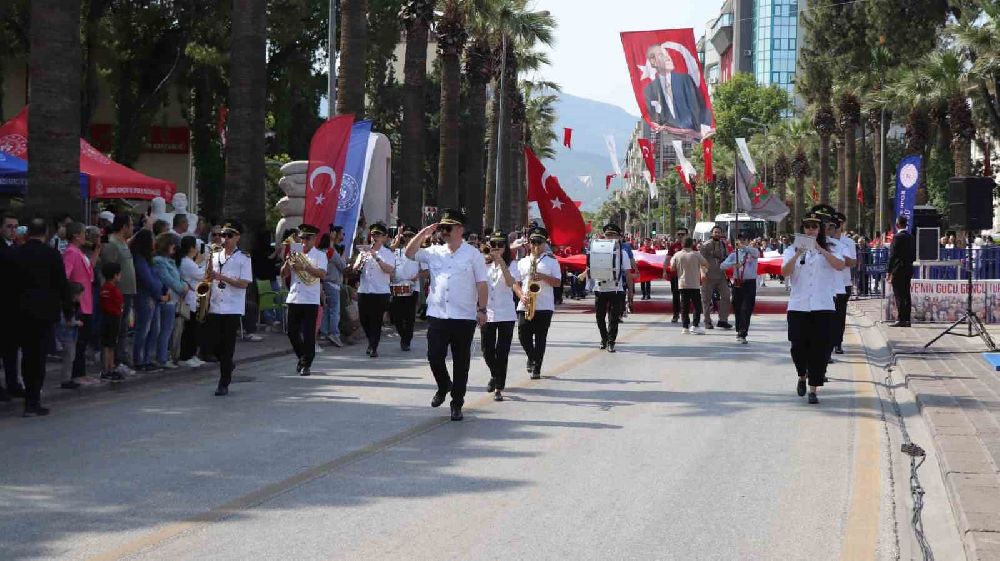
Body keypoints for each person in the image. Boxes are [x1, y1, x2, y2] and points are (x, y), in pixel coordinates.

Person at [405, 208, 489, 421]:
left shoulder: (473, 254)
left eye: (448, 228)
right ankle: (444, 385)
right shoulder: (434, 251)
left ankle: (456, 403)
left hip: (464, 317)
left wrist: (482, 309)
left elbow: (481, 284)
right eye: (442, 228)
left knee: (461, 363)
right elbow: (409, 253)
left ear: (460, 229)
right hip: (438, 315)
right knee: (434, 356)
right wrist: (423, 233)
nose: (444, 231)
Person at [781, 212, 845, 405]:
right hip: (799, 305)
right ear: (803, 229)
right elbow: (784, 272)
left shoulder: (832, 247)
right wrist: (799, 253)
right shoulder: (791, 250)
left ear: (820, 230)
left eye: (814, 227)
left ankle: (813, 389)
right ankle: (802, 374)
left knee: (821, 348)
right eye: (807, 227)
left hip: (823, 305)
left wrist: (820, 249)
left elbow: (840, 265)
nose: (811, 230)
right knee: (797, 345)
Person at [11, 218, 71, 416]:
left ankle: (27, 396)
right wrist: (68, 312)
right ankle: (33, 399)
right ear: (45, 233)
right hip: (45, 313)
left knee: (26, 355)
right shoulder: (52, 255)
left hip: (20, 312)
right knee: (39, 357)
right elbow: (63, 285)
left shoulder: (16, 253)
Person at [205, 221, 253, 396]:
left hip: (232, 307)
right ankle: (227, 363)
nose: (224, 239)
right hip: (215, 305)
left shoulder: (244, 258)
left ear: (238, 237)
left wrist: (221, 277)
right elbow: (210, 276)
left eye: (229, 236)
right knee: (209, 344)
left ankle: (223, 383)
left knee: (227, 347)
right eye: (222, 235)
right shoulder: (215, 255)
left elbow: (243, 284)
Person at [281, 224, 328, 376]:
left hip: (310, 299)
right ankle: (303, 357)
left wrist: (305, 267)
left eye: (307, 238)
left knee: (308, 334)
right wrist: (288, 262)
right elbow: (283, 274)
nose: (304, 242)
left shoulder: (320, 255)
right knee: (291, 332)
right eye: (301, 238)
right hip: (294, 297)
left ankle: (306, 364)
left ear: (314, 239)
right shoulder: (295, 253)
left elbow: (322, 274)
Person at [481, 230, 522, 402]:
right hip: (488, 312)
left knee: (502, 352)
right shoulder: (483, 264)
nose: (497, 248)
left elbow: (510, 282)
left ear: (505, 247)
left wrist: (501, 263)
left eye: (500, 245)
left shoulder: (513, 265)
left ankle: (499, 386)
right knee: (486, 350)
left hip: (506, 313)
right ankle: (494, 374)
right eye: (493, 245)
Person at [516, 227, 562, 379]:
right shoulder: (522, 262)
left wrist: (541, 276)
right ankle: (532, 357)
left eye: (539, 242)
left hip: (544, 306)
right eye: (533, 242)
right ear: (529, 243)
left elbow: (557, 282)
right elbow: (515, 283)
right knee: (523, 336)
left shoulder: (551, 261)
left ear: (545, 243)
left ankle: (537, 368)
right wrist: (521, 295)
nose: (536, 245)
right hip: (525, 303)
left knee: (540, 338)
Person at [580, 223, 632, 352]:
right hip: (600, 288)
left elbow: (628, 273)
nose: (610, 238)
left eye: (613, 235)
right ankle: (604, 338)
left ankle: (611, 341)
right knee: (599, 317)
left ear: (619, 237)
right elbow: (591, 266)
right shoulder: (596, 250)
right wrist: (585, 273)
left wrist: (631, 292)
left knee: (613, 318)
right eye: (608, 235)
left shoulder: (623, 253)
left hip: (616, 289)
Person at [642, 44, 712, 139]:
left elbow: (700, 108)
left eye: (667, 54)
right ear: (653, 61)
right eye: (662, 55)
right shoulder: (649, 90)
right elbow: (652, 119)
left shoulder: (685, 80)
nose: (668, 57)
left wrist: (703, 131)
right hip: (667, 141)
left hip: (693, 138)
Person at [99, 214, 137, 376]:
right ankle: (114, 363)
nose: (133, 228)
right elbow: (108, 270)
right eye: (131, 225)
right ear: (123, 227)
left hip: (127, 292)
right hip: (118, 294)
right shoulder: (112, 244)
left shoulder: (123, 243)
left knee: (123, 330)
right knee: (117, 330)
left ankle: (120, 360)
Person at [351, 223, 395, 357]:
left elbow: (389, 270)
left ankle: (373, 346)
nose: (374, 237)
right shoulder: (364, 251)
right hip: (364, 290)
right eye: (373, 235)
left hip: (380, 292)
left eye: (377, 235)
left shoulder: (387, 253)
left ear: (384, 237)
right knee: (364, 319)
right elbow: (355, 269)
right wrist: (358, 264)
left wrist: (376, 257)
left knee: (376, 320)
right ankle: (371, 341)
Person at [62, 222, 94, 382]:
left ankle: (81, 372)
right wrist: (74, 293)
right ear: (76, 235)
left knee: (83, 339)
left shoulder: (79, 252)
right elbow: (66, 276)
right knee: (78, 340)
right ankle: (77, 374)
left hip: (86, 300)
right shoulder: (70, 252)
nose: (85, 237)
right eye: (83, 233)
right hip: (79, 301)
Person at [131, 229, 165, 371]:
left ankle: (147, 358)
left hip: (153, 296)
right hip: (145, 296)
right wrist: (159, 292)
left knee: (154, 329)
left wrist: (161, 291)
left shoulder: (147, 259)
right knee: (143, 329)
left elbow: (155, 278)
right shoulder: (139, 259)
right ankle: (139, 360)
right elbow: (148, 280)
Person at [152, 233, 187, 368]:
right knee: (165, 330)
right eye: (173, 245)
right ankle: (162, 358)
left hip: (173, 299)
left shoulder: (170, 261)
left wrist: (183, 286)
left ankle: (163, 356)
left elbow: (178, 278)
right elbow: (168, 279)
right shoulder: (159, 261)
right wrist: (181, 288)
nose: (175, 248)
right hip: (167, 299)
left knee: (168, 329)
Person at [720, 233, 760, 344]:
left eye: (743, 240)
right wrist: (734, 263)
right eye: (739, 240)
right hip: (737, 283)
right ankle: (739, 330)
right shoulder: (735, 254)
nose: (741, 242)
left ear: (748, 241)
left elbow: (756, 253)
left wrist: (744, 247)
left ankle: (743, 333)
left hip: (749, 283)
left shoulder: (753, 251)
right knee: (737, 308)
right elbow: (722, 265)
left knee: (746, 309)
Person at [828, 211, 856, 356]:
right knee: (827, 316)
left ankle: (837, 343)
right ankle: (827, 343)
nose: (835, 228)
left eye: (837, 225)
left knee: (839, 316)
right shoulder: (825, 241)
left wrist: (840, 256)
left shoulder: (848, 242)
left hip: (843, 283)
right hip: (827, 283)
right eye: (832, 225)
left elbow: (852, 262)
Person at [176, 236, 206, 368]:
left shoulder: (189, 261)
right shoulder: (186, 262)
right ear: (191, 248)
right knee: (190, 329)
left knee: (195, 329)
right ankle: (185, 355)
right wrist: (201, 262)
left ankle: (192, 354)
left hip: (195, 297)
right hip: (189, 298)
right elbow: (201, 275)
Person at [390, 225, 420, 351]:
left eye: (410, 236)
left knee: (409, 316)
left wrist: (416, 276)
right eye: (406, 236)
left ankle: (406, 341)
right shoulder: (396, 251)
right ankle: (404, 336)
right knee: (396, 316)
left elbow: (426, 271)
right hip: (397, 286)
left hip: (412, 288)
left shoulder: (419, 252)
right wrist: (398, 235)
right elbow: (389, 250)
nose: (408, 238)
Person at [671, 237, 709, 334]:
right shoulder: (696, 254)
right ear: (692, 244)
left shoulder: (677, 255)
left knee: (684, 306)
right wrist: (703, 271)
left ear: (682, 244)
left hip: (682, 284)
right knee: (697, 306)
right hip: (694, 284)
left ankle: (685, 327)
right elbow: (706, 264)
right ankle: (695, 325)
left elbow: (672, 268)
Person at [700, 226, 732, 329]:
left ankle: (723, 320)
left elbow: (727, 258)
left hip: (721, 275)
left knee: (726, 296)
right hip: (708, 276)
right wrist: (703, 274)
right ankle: (707, 321)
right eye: (715, 232)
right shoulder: (705, 245)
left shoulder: (723, 244)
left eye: (719, 232)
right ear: (712, 233)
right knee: (706, 299)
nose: (717, 234)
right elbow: (701, 261)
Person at [99, 262, 126, 382]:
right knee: (111, 345)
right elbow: (120, 304)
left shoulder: (104, 288)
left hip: (105, 317)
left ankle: (108, 368)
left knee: (107, 344)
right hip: (114, 318)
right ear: (115, 275)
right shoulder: (114, 290)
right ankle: (109, 368)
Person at [887, 216, 916, 327]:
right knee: (906, 294)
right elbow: (913, 253)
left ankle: (901, 319)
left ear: (897, 225)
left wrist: (889, 271)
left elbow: (892, 255)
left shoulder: (897, 237)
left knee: (898, 294)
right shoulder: (911, 237)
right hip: (908, 268)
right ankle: (907, 319)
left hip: (898, 269)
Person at [321, 226, 347, 347]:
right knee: (334, 311)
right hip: (332, 283)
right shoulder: (331, 251)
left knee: (328, 309)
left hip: (327, 283)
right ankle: (334, 333)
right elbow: (342, 265)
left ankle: (325, 331)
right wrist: (344, 255)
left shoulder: (322, 251)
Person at [57, 283, 85, 389]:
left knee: (71, 357)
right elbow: (64, 322)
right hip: (65, 335)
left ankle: (67, 378)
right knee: (68, 357)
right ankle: (65, 379)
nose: (81, 297)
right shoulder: (66, 307)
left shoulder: (75, 306)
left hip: (71, 335)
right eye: (80, 295)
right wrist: (76, 322)